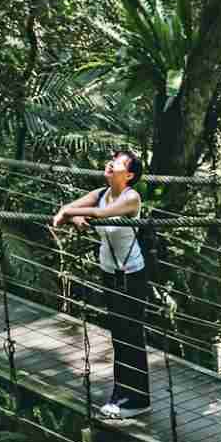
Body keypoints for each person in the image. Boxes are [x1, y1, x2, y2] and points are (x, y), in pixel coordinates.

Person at [52, 149, 151, 420]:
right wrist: (72, 214)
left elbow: (99, 213)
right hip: (109, 272)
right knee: (119, 335)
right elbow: (84, 209)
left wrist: (68, 211)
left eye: (117, 163)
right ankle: (121, 395)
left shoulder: (131, 198)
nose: (110, 164)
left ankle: (138, 399)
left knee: (131, 335)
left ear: (129, 175)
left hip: (131, 275)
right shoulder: (101, 192)